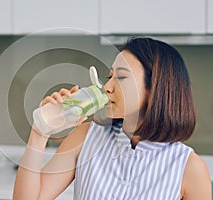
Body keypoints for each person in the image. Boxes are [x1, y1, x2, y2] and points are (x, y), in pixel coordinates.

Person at [13, 37, 212, 200]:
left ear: (156, 88)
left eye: (122, 77)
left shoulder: (189, 167)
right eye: (110, 76)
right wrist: (39, 133)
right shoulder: (85, 137)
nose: (107, 87)